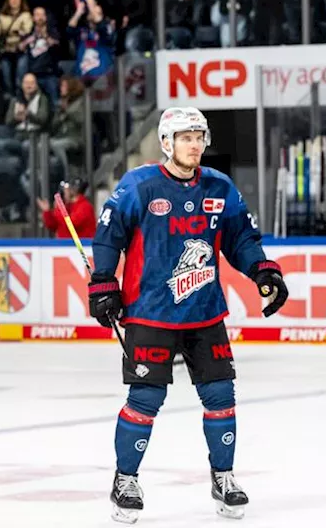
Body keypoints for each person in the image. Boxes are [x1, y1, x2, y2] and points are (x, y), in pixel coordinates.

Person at [90, 107, 289, 523]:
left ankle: (224, 477)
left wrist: (262, 270)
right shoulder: (139, 185)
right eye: (185, 137)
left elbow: (241, 240)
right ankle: (125, 480)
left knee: (221, 398)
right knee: (145, 399)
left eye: (199, 136)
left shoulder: (219, 186)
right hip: (149, 314)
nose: (195, 144)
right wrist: (104, 282)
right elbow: (109, 236)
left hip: (205, 313)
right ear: (166, 142)